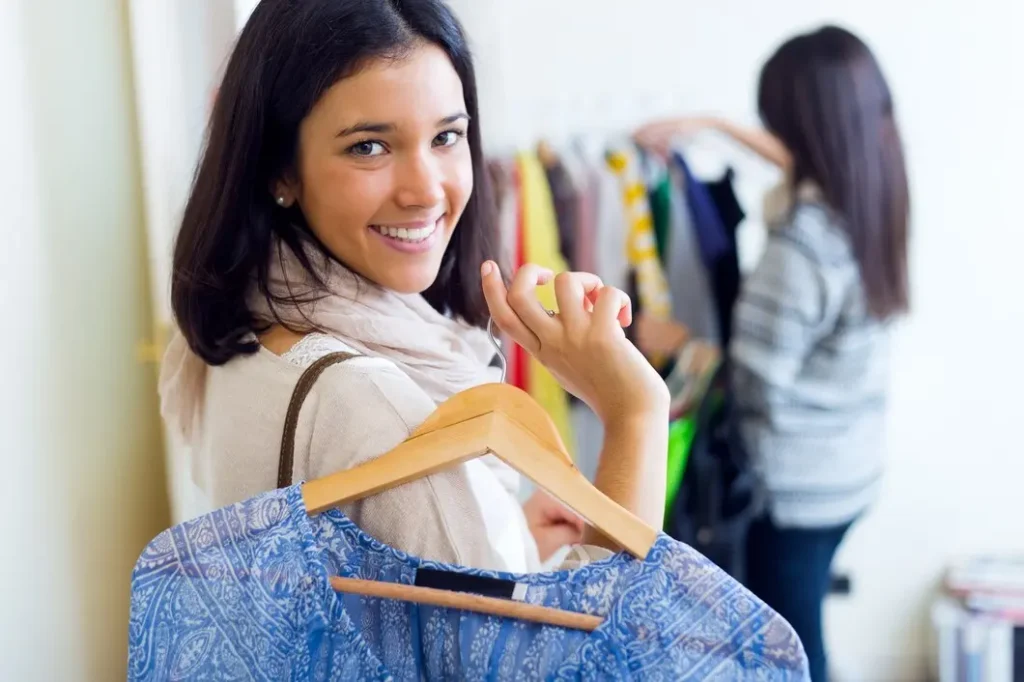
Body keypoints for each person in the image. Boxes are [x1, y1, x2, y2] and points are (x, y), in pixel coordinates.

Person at [158, 0, 669, 575]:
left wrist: (500, 538)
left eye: (447, 137)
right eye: (368, 147)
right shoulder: (372, 405)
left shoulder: (246, 325)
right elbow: (580, 658)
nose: (425, 190)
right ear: (281, 169)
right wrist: (635, 415)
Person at [634, 25, 910, 682]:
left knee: (792, 652)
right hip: (850, 468)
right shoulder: (873, 197)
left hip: (796, 490)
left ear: (802, 131)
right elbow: (797, 158)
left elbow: (754, 384)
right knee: (805, 624)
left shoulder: (801, 248)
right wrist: (709, 124)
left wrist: (677, 343)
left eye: (773, 122)